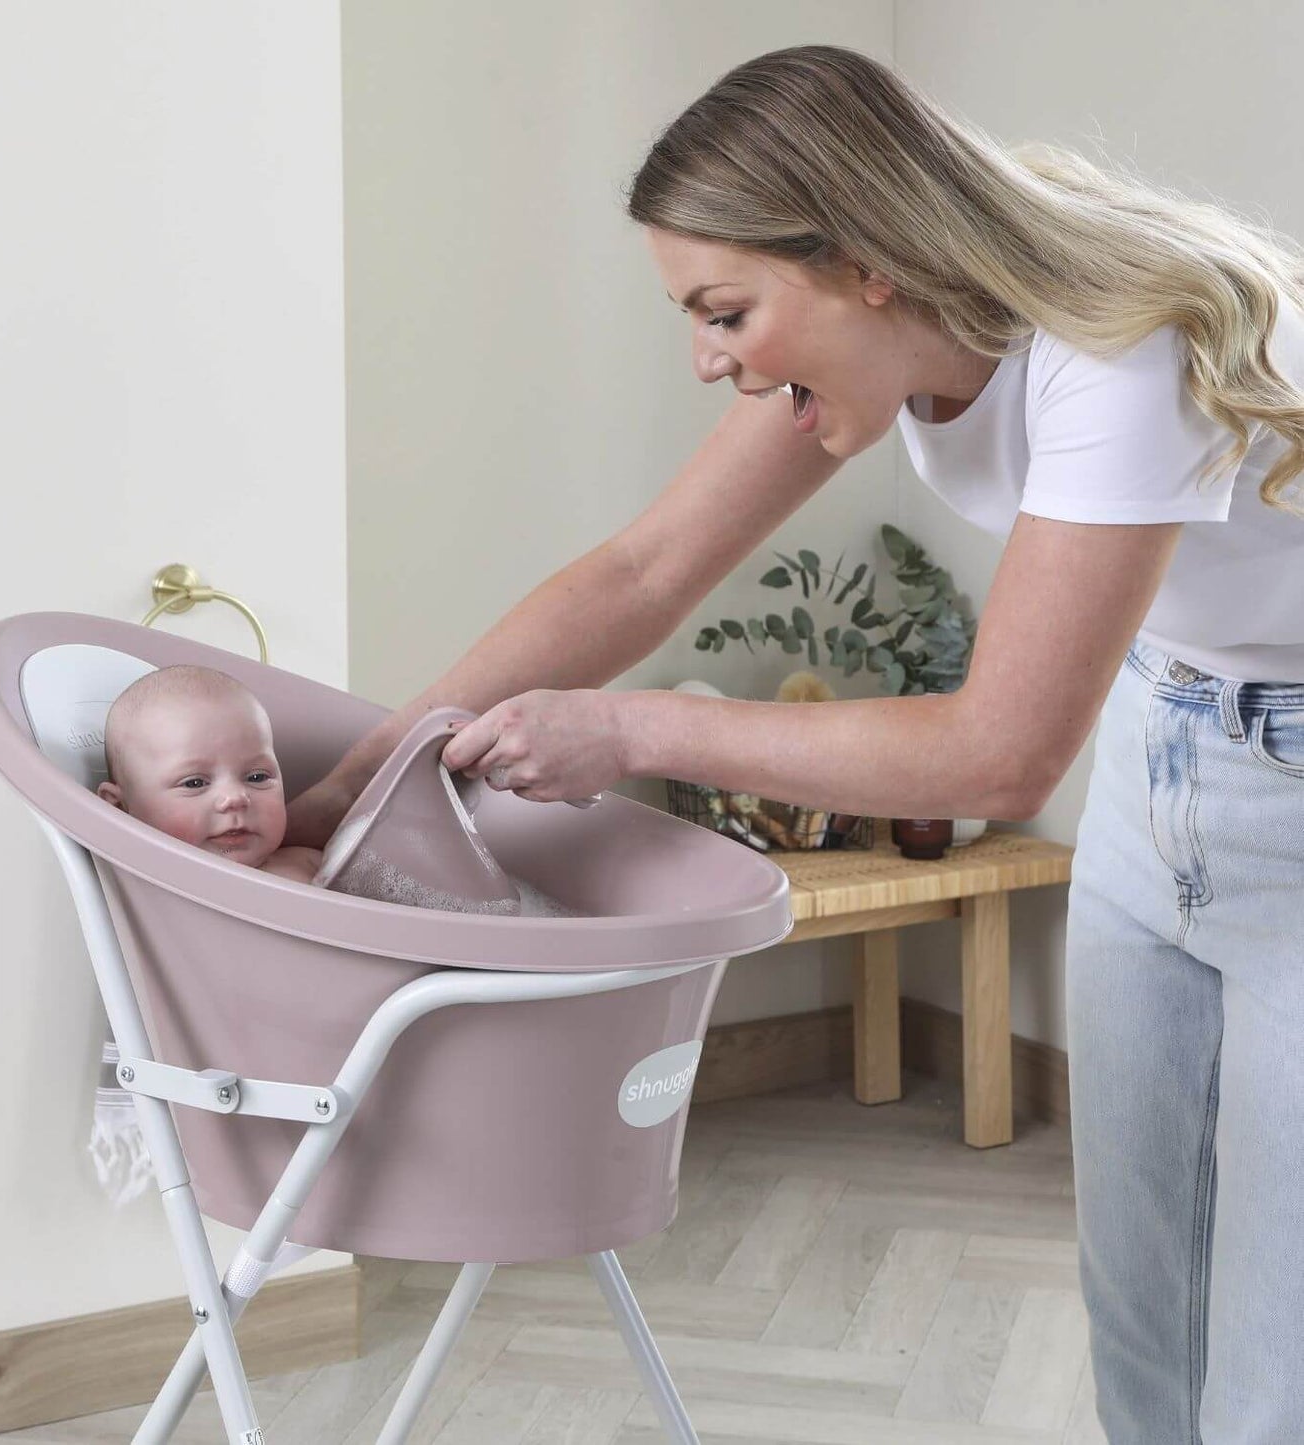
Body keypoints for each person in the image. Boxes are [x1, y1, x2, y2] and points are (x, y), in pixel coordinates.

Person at [285, 44, 1304, 1439]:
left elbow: (999, 755)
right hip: (1165, 733)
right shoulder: (882, 341)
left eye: (725, 310)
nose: (709, 357)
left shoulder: (1115, 351)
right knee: (1143, 1294)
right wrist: (351, 777)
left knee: (1276, 1352)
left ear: (866, 260)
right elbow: (643, 574)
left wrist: (645, 728)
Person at [99, 665, 324, 886]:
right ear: (120, 809)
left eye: (257, 777)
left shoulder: (310, 864)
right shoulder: (153, 889)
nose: (235, 798)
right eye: (194, 782)